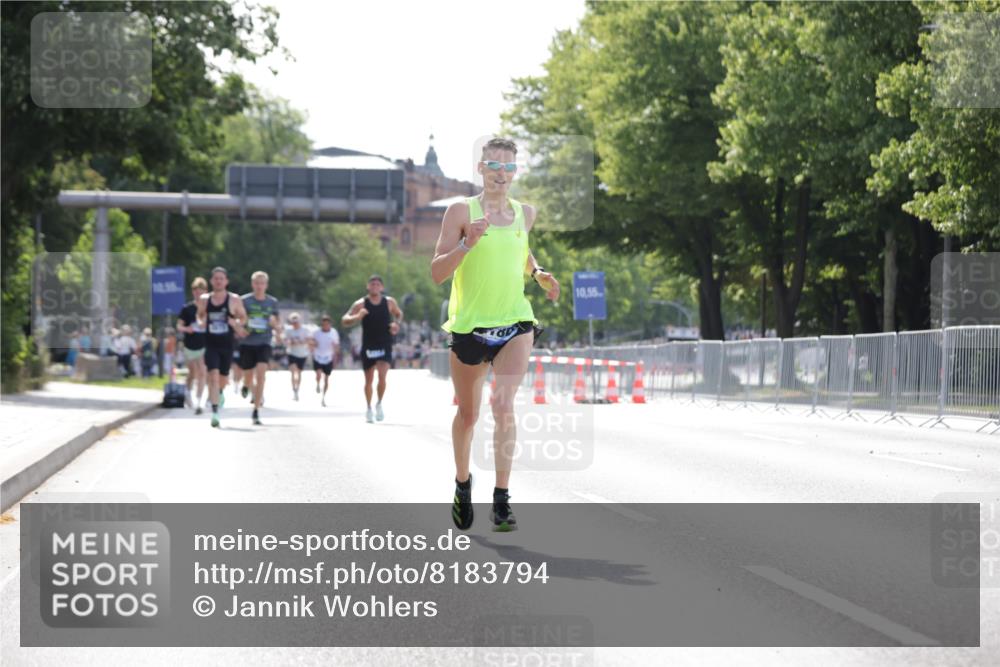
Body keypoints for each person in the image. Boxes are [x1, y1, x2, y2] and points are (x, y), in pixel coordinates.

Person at [430, 137, 560, 532]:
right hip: (470, 327)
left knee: (503, 404)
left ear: (515, 172)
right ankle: (462, 484)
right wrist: (467, 244)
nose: (501, 174)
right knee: (469, 415)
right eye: (494, 166)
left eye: (509, 167)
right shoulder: (460, 211)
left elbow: (519, 251)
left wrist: (537, 273)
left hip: (515, 322)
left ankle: (501, 500)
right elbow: (437, 272)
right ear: (481, 169)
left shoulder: (526, 214)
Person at [341, 275, 403, 423]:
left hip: (385, 343)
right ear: (367, 286)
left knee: (382, 376)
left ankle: (379, 404)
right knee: (369, 379)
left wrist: (396, 324)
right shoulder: (361, 304)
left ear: (382, 287)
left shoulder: (389, 302)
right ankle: (368, 408)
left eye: (377, 284)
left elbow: (398, 314)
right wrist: (357, 316)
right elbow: (344, 320)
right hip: (369, 345)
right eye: (372, 284)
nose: (375, 286)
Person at [197, 266, 247, 428]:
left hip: (227, 344)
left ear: (226, 281)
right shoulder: (204, 299)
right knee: (213, 375)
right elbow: (199, 316)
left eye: (221, 278)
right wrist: (201, 322)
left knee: (223, 378)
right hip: (211, 343)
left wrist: (235, 322)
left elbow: (243, 318)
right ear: (211, 281)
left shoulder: (234, 299)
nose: (218, 281)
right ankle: (215, 412)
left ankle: (219, 393)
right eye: (216, 278)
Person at [239, 271, 282, 425]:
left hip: (264, 342)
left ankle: (256, 411)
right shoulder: (244, 300)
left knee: (261, 375)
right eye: (257, 283)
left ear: (266, 285)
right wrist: (241, 327)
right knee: (248, 376)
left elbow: (277, 322)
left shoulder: (272, 302)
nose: (259, 286)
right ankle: (246, 385)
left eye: (262, 283)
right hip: (247, 342)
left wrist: (276, 328)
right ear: (252, 284)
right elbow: (238, 318)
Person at [177, 277, 208, 414]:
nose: (198, 294)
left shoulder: (209, 307)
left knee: (202, 371)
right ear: (193, 292)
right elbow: (179, 326)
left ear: (205, 292)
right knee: (192, 372)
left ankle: (199, 400)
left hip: (204, 343)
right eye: (196, 291)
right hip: (189, 344)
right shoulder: (187, 308)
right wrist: (187, 329)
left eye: (201, 291)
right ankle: (188, 392)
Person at [310, 314, 340, 407]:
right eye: (323, 324)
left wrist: (335, 357)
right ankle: (318, 383)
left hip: (328, 357)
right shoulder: (316, 332)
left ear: (330, 324)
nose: (325, 326)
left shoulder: (334, 332)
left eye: (327, 324)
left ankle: (323, 397)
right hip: (318, 356)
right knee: (318, 374)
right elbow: (311, 342)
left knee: (326, 378)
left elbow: (337, 346)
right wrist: (313, 344)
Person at [284, 312, 310, 401]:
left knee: (298, 373)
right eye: (293, 322)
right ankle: (293, 389)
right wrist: (290, 342)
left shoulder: (305, 329)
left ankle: (297, 389)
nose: (295, 324)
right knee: (293, 371)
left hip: (302, 354)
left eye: (296, 322)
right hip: (292, 353)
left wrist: (300, 342)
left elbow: (309, 340)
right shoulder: (288, 330)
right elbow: (285, 340)